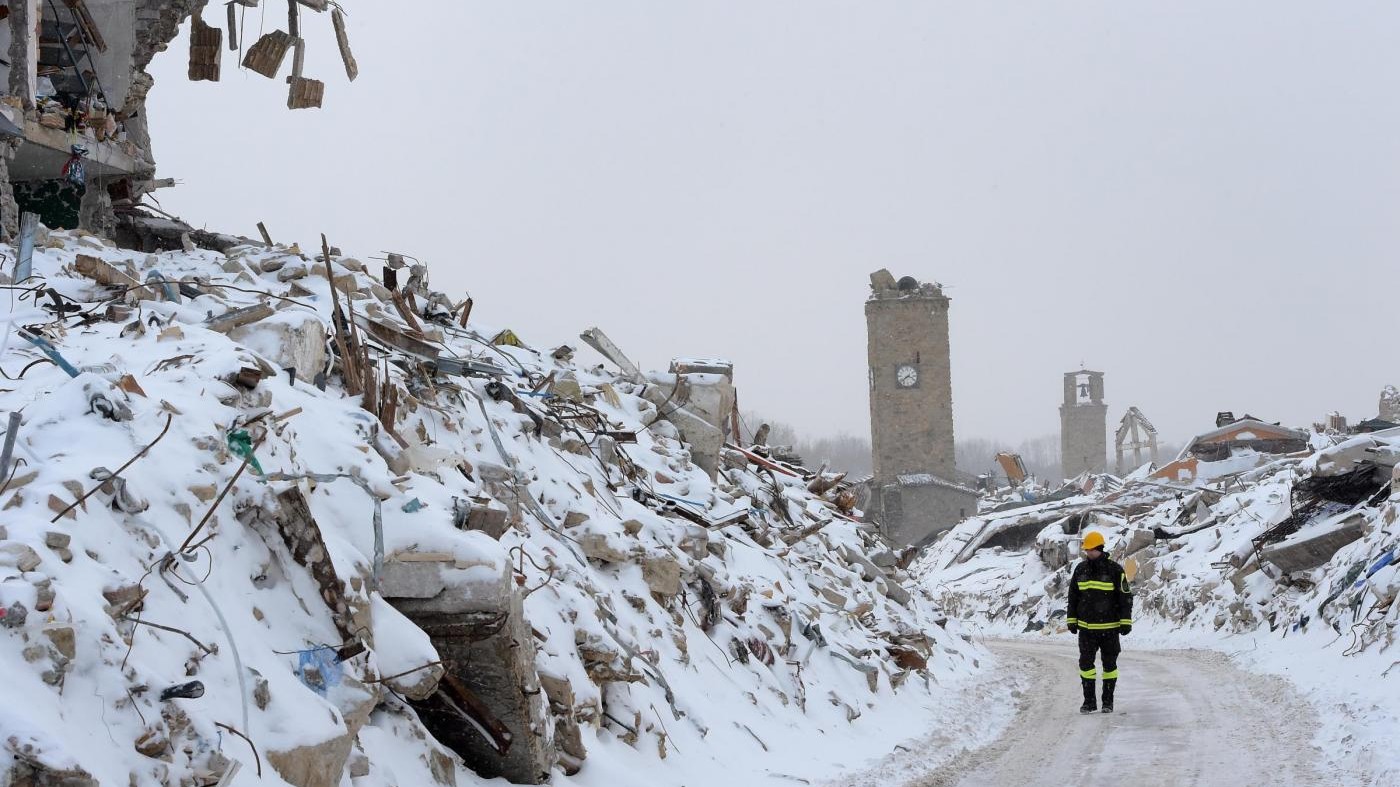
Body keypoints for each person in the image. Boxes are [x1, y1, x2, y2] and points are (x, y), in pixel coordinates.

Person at [1066, 530, 1133, 714]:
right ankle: (1089, 702)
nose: (1087, 553)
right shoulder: (1080, 570)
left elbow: (1125, 598)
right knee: (1086, 666)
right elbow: (1073, 597)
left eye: (1090, 550)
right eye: (1086, 550)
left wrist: (1125, 622)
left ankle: (1107, 702)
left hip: (1110, 630)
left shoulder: (1115, 570)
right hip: (1087, 631)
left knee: (1109, 666)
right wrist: (1071, 620)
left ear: (1099, 549)